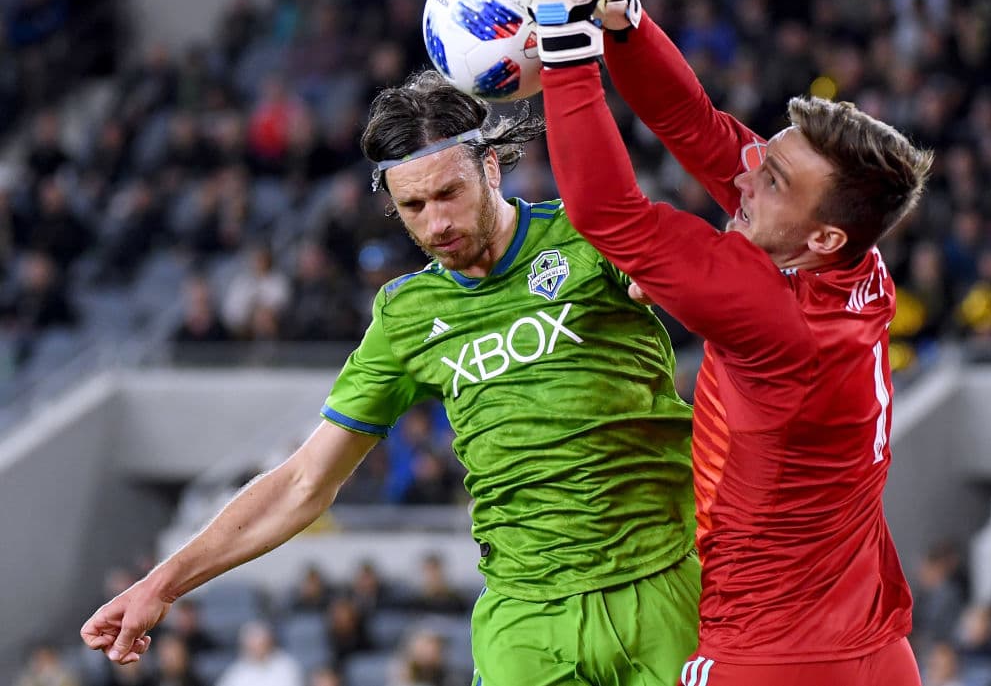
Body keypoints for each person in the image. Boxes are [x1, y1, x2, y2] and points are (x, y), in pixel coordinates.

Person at [81, 69, 701, 686]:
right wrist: (162, 584)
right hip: (526, 616)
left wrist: (667, 276)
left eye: (449, 193)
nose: (436, 224)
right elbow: (303, 482)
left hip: (665, 583)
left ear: (490, 169)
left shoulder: (590, 234)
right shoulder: (406, 314)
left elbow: (721, 291)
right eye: (413, 206)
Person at [509, 0, 934, 686]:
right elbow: (695, 127)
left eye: (770, 182)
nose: (744, 180)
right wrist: (619, 18)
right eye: (765, 160)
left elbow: (609, 213)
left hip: (767, 657)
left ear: (823, 234)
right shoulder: (856, 266)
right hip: (878, 650)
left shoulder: (771, 312)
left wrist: (567, 41)